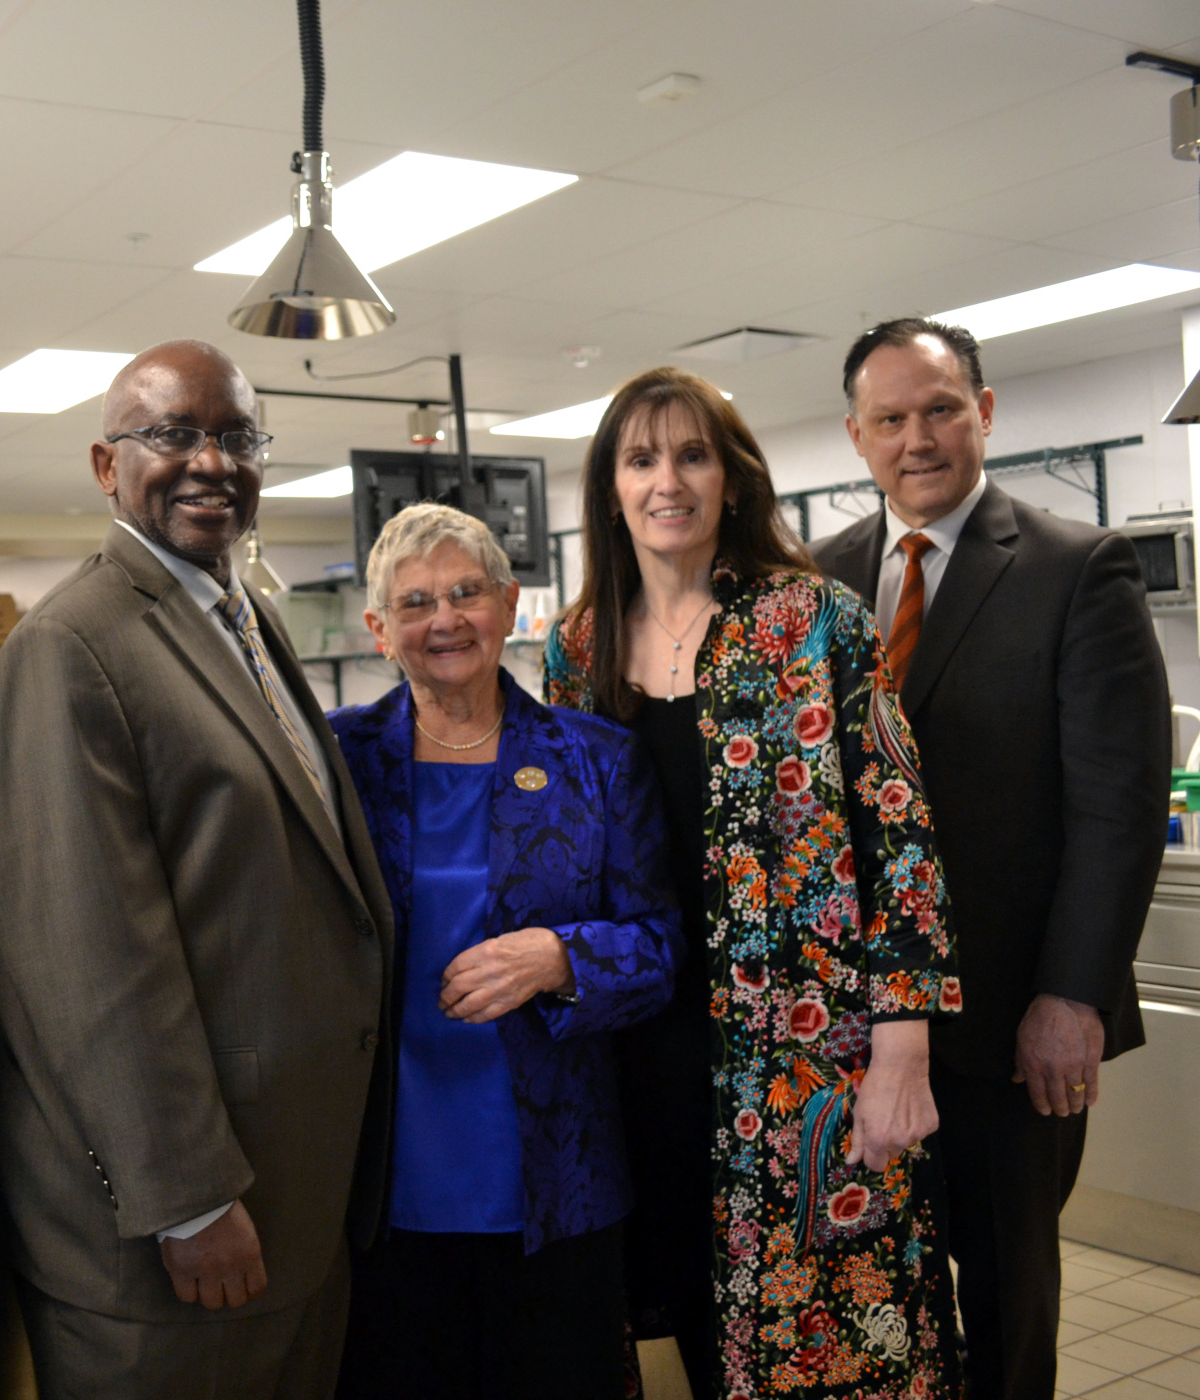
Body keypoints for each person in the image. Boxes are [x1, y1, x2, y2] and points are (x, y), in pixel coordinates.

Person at [0, 339, 393, 1399]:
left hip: (293, 1199)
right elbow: (87, 955)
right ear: (107, 466)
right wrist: (188, 1199)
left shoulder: (239, 618)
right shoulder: (73, 644)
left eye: (239, 436)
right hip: (176, 1236)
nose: (212, 460)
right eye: (173, 433)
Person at [546, 365, 962, 1400]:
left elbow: (901, 833)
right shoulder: (578, 646)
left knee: (845, 1325)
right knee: (683, 1305)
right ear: (610, 487)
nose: (667, 481)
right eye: (641, 459)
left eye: (692, 454)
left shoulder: (818, 621)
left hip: (807, 1048)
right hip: (641, 1045)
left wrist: (903, 1042)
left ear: (731, 479)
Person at [812, 319, 1168, 1400]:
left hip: (1013, 1025)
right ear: (856, 435)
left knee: (1007, 1293)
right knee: (871, 1289)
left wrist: (1073, 996)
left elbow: (1117, 806)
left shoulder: (1077, 566)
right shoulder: (814, 583)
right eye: (891, 418)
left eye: (940, 409)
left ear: (985, 411)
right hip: (852, 1025)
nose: (917, 438)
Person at [326, 503, 680, 1400]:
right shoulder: (337, 762)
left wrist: (562, 957)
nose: (443, 619)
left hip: (559, 1179)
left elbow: (663, 943)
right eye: (414, 603)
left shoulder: (596, 758)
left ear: (510, 604)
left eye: (465, 592)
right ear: (378, 629)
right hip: (383, 1177)